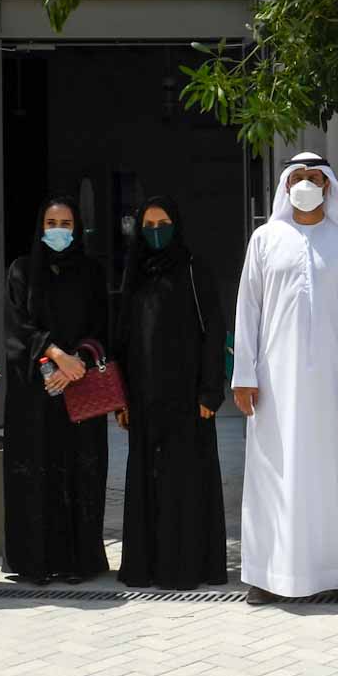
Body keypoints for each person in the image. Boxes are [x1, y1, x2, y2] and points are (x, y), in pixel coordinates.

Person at [232, 153, 338, 605]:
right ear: (286, 184)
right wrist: (244, 374)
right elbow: (247, 310)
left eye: (315, 177)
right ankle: (268, 575)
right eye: (298, 177)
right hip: (273, 384)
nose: (306, 184)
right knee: (273, 473)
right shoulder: (265, 239)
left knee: (334, 475)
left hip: (335, 383)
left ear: (328, 185)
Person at [116, 195, 229, 590]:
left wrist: (210, 392)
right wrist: (121, 398)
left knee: (186, 482)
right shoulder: (135, 273)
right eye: (148, 226)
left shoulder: (195, 269)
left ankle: (187, 568)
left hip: (188, 399)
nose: (156, 232)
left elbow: (214, 331)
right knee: (147, 480)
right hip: (143, 398)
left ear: (176, 225)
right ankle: (145, 567)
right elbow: (123, 338)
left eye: (162, 224)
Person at [1, 196, 109, 586]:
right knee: (36, 472)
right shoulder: (22, 271)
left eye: (66, 224)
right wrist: (55, 357)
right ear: (40, 227)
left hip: (81, 386)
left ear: (76, 228)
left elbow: (103, 325)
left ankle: (78, 562)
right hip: (35, 392)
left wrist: (76, 362)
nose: (58, 230)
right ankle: (34, 562)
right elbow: (17, 326)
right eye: (51, 223)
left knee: (81, 472)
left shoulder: (91, 272)